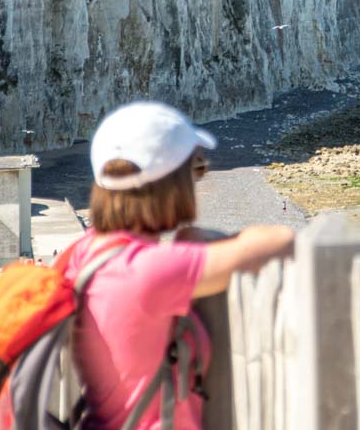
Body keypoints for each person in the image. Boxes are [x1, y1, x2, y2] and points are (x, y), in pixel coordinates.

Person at [66, 101, 294, 430]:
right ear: (172, 184)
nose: (198, 182)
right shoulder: (147, 271)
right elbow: (278, 241)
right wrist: (194, 237)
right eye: (196, 170)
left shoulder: (83, 254)